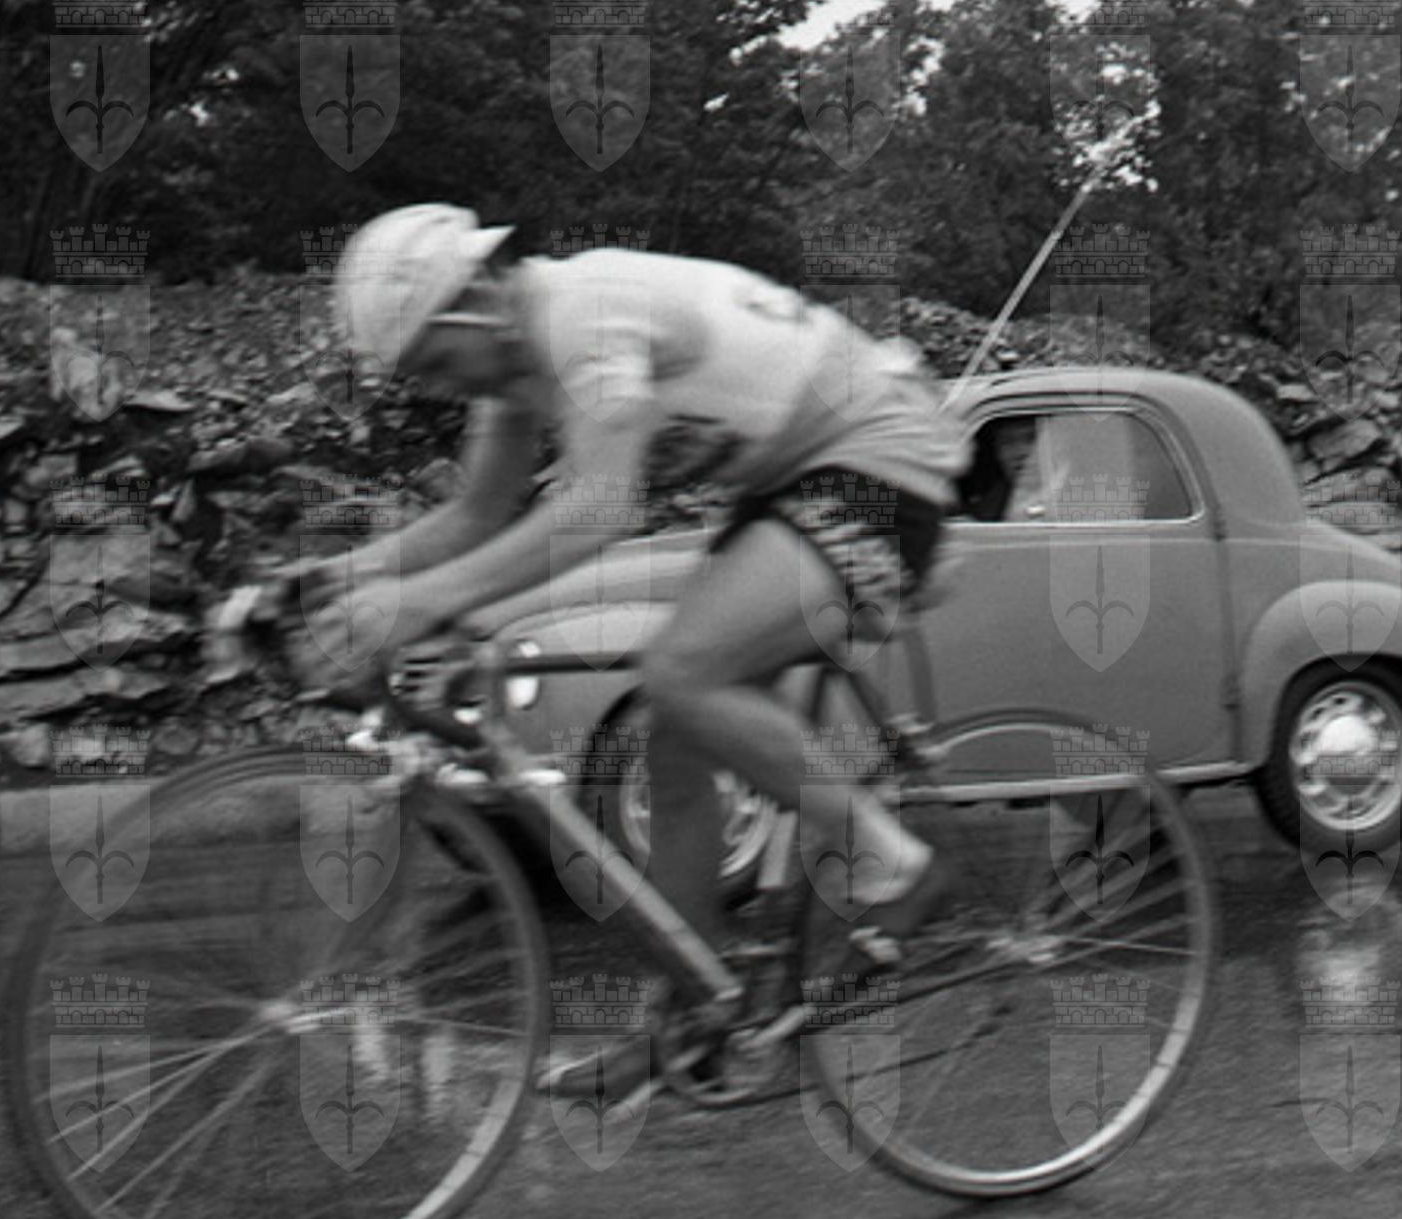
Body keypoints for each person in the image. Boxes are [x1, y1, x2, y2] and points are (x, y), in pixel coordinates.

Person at [286, 203, 970, 1061]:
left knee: (684, 671)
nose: (437, 386)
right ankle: (692, 1011)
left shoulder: (585, 312)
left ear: (477, 297)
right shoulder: (513, 365)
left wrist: (420, 603)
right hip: (791, 480)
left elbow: (604, 507)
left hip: (878, 455)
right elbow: (474, 515)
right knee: (673, 739)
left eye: (435, 361)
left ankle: (895, 864)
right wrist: (326, 582)